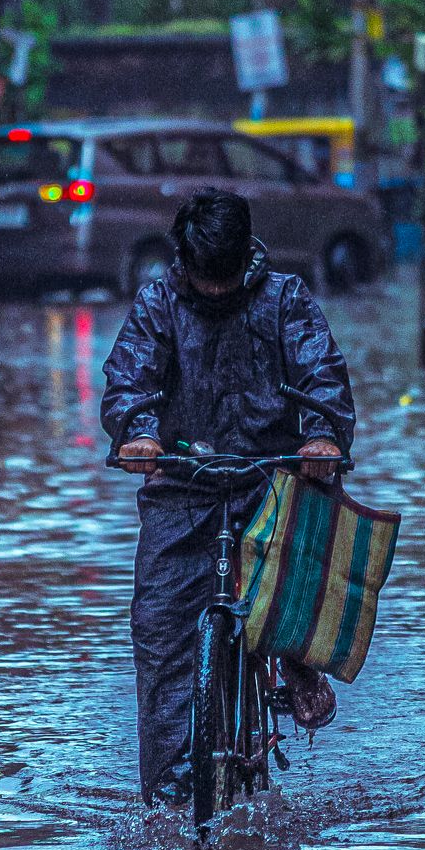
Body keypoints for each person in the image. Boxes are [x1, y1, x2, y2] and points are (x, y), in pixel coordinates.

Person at [101, 189, 356, 806]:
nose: (215, 291)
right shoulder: (158, 304)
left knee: (308, 557)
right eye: (204, 278)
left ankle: (296, 660)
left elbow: (322, 376)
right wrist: (137, 433)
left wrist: (322, 435)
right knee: (160, 632)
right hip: (181, 487)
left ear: (247, 256)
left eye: (227, 277)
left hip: (271, 481)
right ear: (184, 261)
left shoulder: (286, 300)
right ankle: (169, 793)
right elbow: (128, 380)